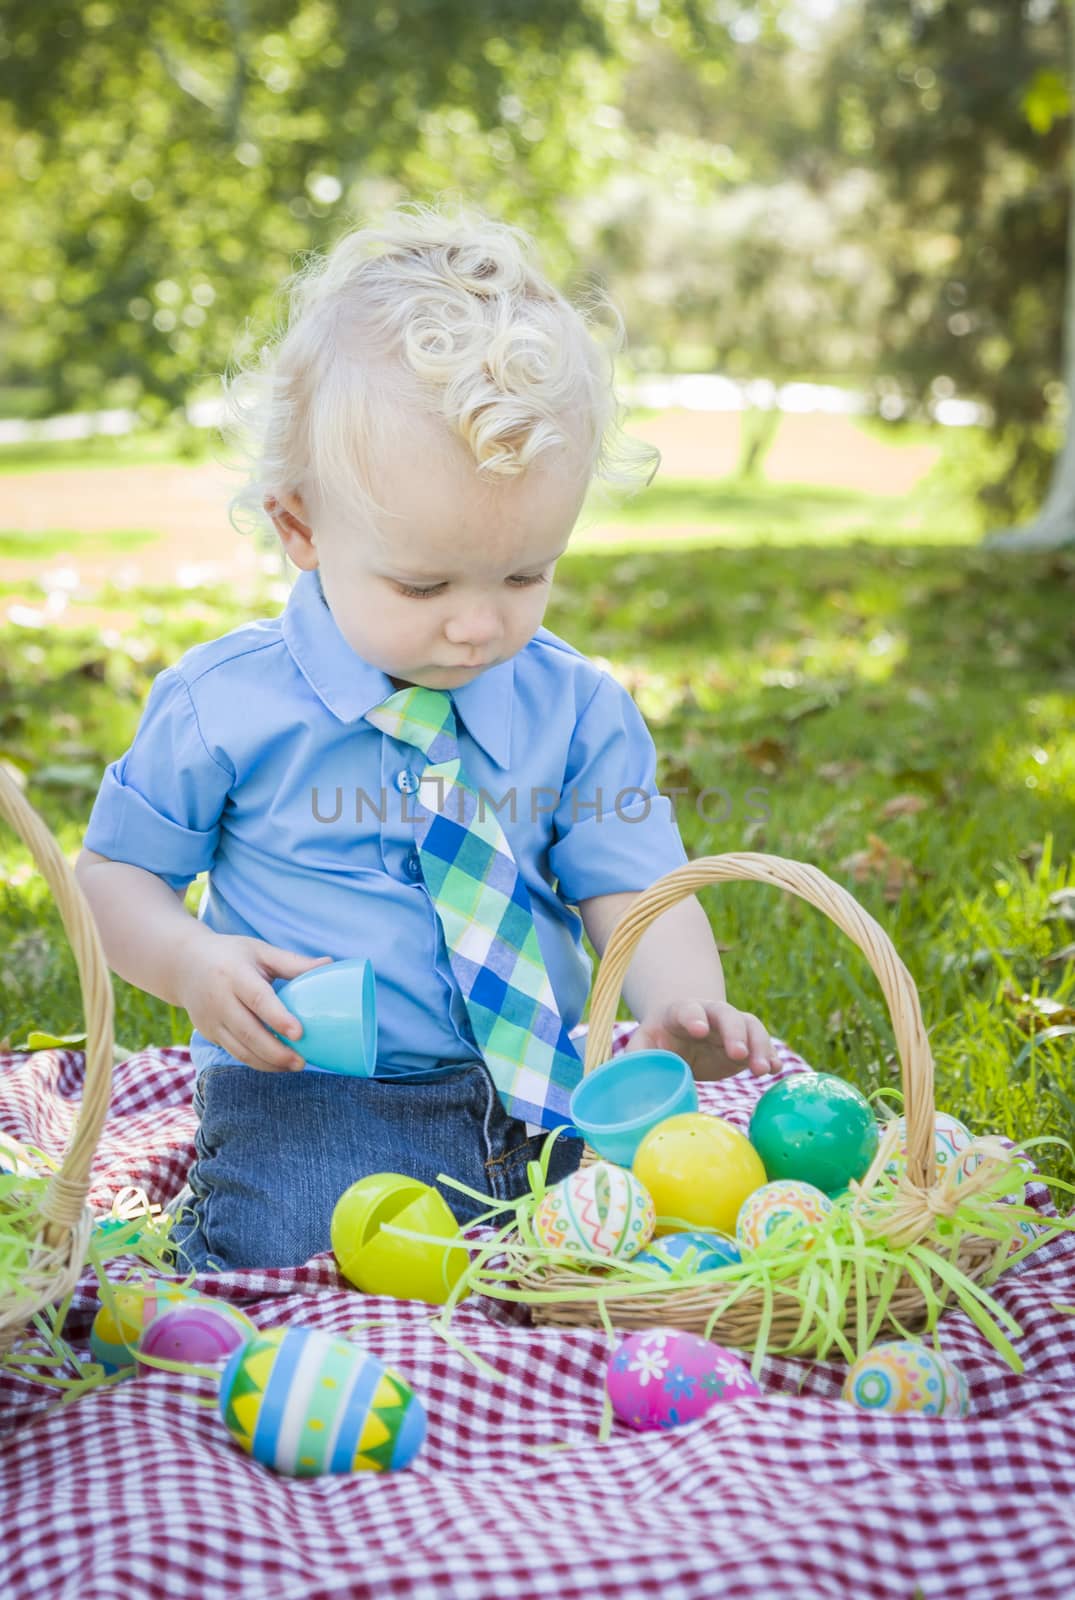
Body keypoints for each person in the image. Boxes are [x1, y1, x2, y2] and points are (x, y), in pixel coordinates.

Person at [75, 198, 774, 1273]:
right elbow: (111, 878)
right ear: (300, 527)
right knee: (297, 1252)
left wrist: (675, 1001)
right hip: (315, 1091)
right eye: (422, 581)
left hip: (547, 1084)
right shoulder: (226, 704)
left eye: (524, 574)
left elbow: (633, 883)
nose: (478, 622)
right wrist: (190, 958)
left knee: (660, 1237)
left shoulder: (574, 708)